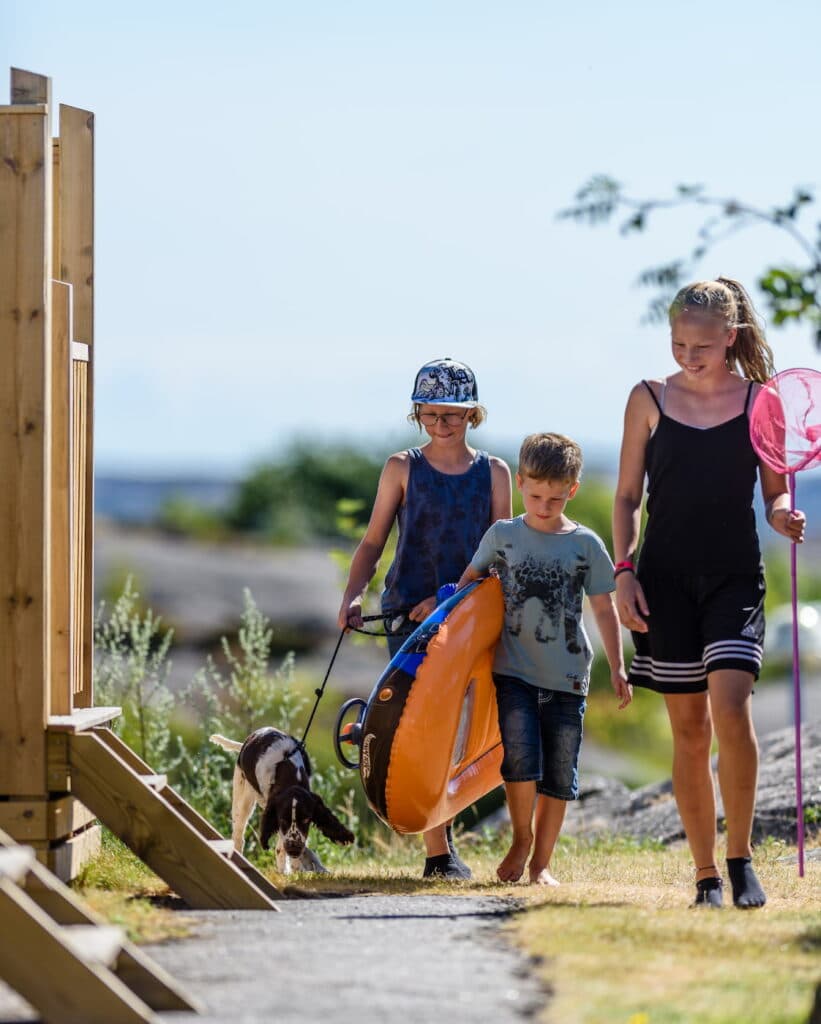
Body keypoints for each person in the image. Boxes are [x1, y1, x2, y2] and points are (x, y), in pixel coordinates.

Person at [612, 277, 807, 909]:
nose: (687, 355)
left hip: (734, 579)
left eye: (700, 345)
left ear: (731, 337)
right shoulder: (646, 399)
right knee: (690, 731)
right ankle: (704, 876)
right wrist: (623, 570)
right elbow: (626, 497)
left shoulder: (760, 402)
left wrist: (782, 515)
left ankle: (742, 857)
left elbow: (776, 490)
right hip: (662, 582)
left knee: (731, 708)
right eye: (677, 343)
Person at [337, 357, 512, 879]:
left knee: (472, 726)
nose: (442, 424)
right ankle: (438, 852)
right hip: (407, 618)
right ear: (417, 413)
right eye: (432, 414)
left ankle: (453, 838)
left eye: (454, 414)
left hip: (469, 616)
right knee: (424, 728)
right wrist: (352, 594)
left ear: (472, 415)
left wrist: (450, 599)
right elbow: (373, 542)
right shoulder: (401, 468)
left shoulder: (495, 473)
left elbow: (501, 552)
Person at [458, 432, 632, 885]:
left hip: (569, 675)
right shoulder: (503, 535)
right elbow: (470, 583)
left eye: (555, 498)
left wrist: (617, 666)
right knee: (519, 759)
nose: (543, 504)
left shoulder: (586, 545)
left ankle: (542, 864)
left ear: (572, 490)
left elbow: (602, 608)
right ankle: (520, 838)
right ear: (520, 484)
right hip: (512, 670)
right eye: (535, 495)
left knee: (559, 773)